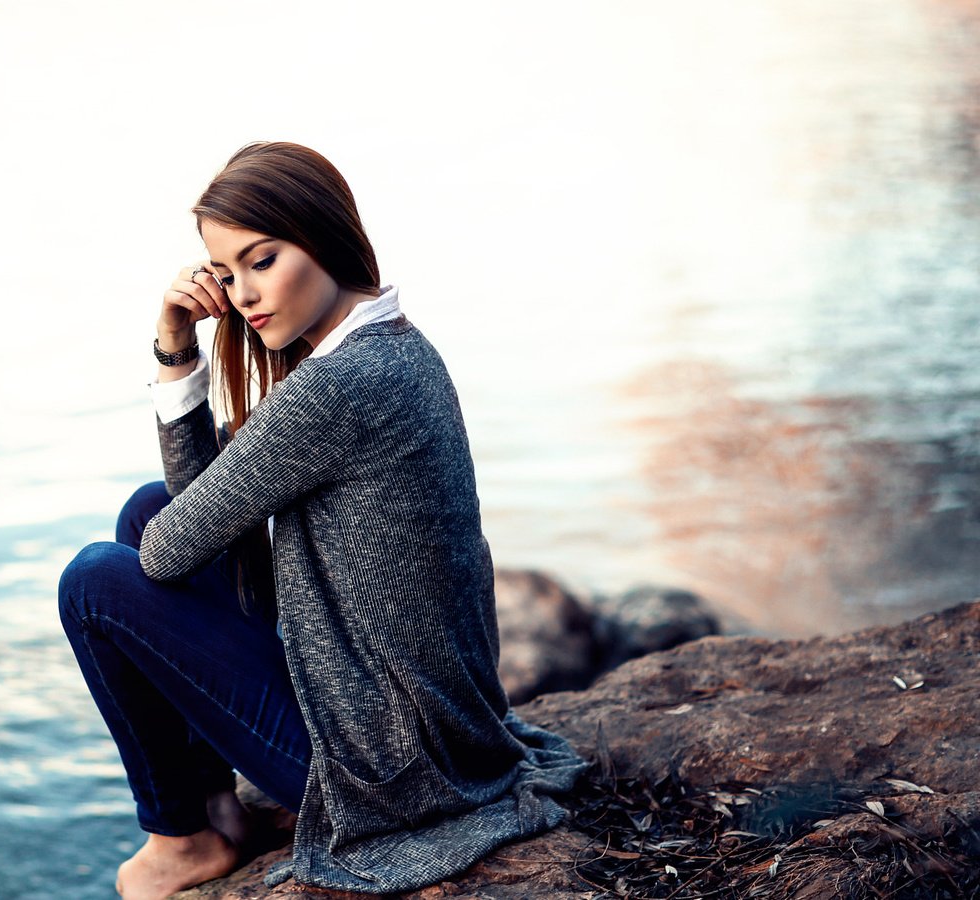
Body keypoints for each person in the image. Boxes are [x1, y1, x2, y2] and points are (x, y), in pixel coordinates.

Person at [58, 141, 591, 899]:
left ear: (323, 236)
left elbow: (174, 551)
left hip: (388, 770)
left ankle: (178, 836)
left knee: (93, 581)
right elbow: (190, 517)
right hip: (424, 727)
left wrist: (173, 351)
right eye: (227, 271)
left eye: (263, 259)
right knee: (146, 509)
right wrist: (177, 343)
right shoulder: (394, 347)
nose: (243, 294)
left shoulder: (341, 385)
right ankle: (213, 808)